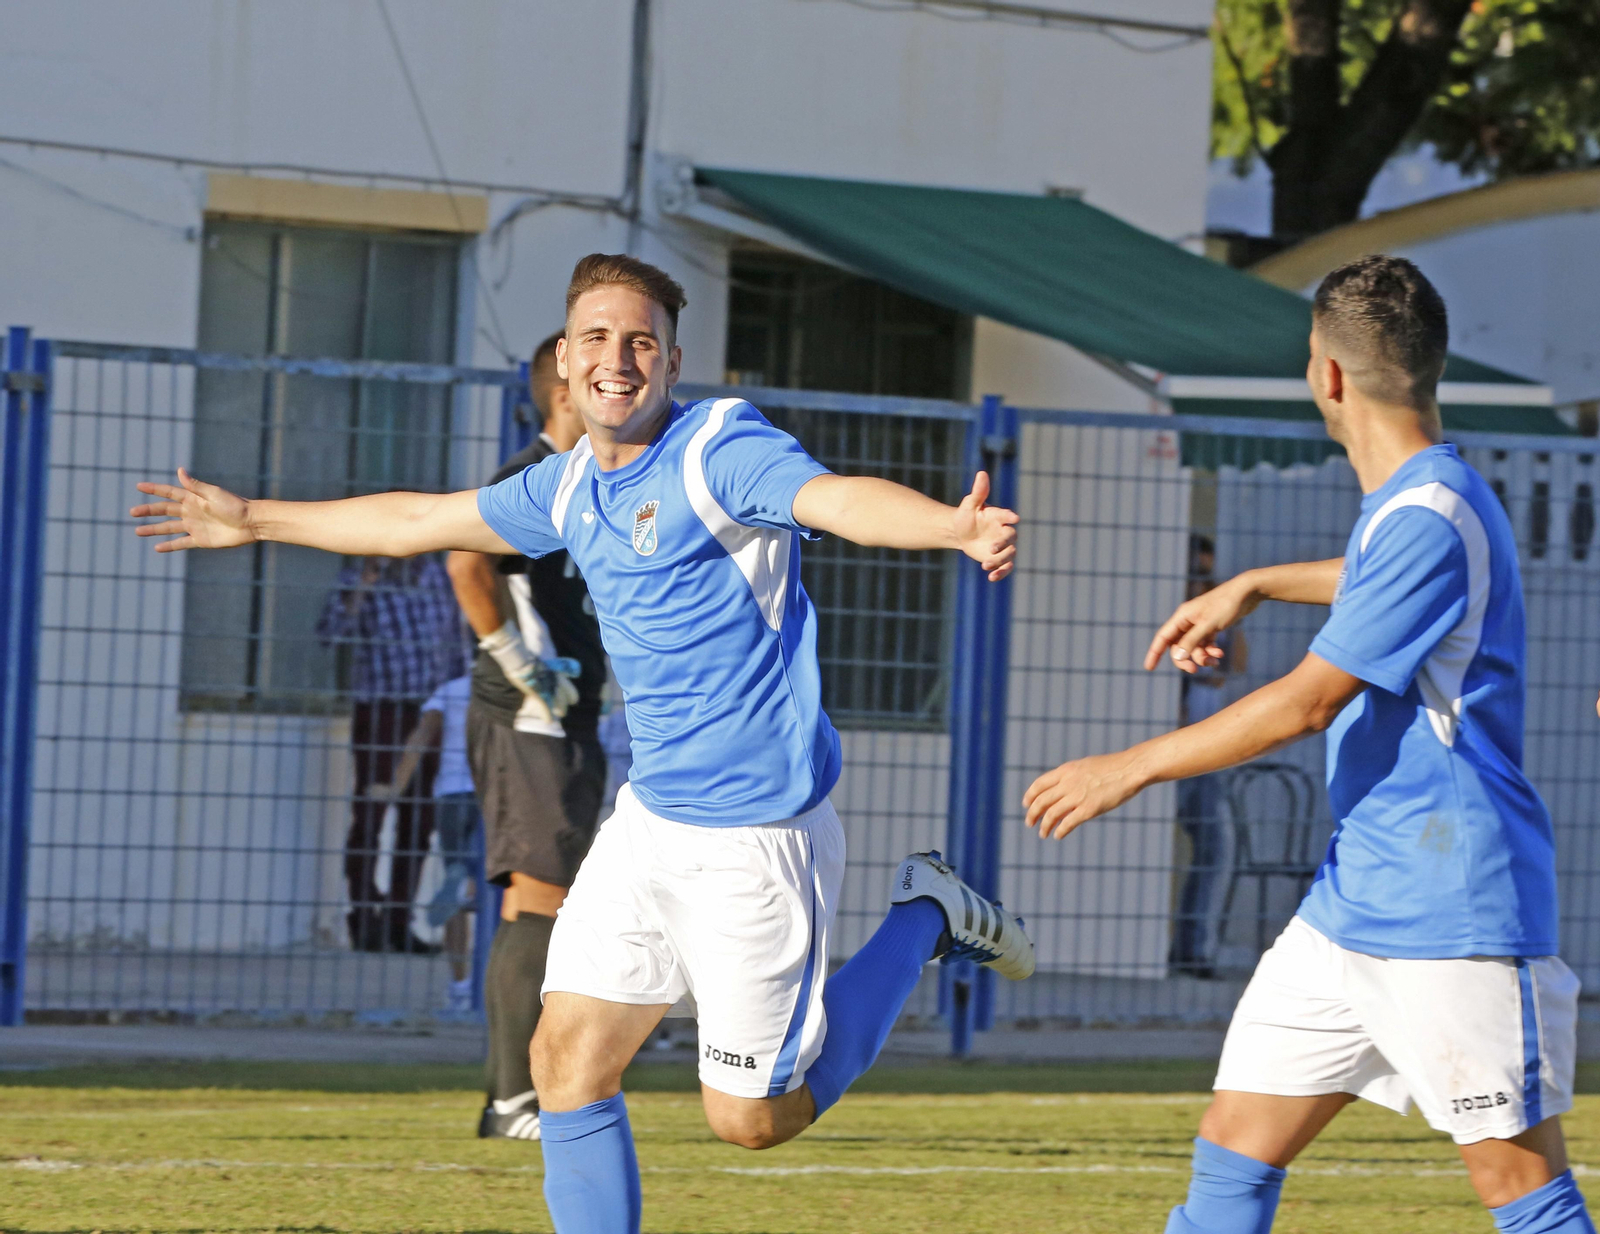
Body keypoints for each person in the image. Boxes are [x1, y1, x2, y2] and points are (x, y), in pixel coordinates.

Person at [130, 251, 1035, 1234]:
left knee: (752, 1120)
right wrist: (256, 518)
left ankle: (925, 914)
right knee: (563, 1059)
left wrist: (948, 527)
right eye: (596, 339)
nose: (618, 359)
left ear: (671, 360)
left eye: (640, 340)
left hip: (757, 841)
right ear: (565, 361)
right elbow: (421, 520)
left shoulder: (717, 450)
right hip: (650, 826)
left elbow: (834, 497)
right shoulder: (563, 489)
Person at [1022, 256, 1592, 1234]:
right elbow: (1365, 573)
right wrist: (1250, 581)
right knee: (1231, 1151)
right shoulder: (1415, 504)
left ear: (1325, 375)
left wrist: (1128, 765)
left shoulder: (1428, 515)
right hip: (1350, 909)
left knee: (1520, 1192)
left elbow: (1303, 704)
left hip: (1451, 916)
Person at [445, 332, 608, 1141]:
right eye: (598, 373)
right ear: (562, 392)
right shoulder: (529, 478)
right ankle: (514, 1102)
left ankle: (513, 1095)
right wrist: (514, 660)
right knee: (538, 897)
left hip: (569, 715)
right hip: (526, 717)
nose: (620, 386)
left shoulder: (593, 485)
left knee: (552, 900)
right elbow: (462, 560)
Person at [316, 553, 466, 953]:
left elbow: (456, 644)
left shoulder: (437, 575)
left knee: (420, 821)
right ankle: (364, 919)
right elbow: (329, 634)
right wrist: (363, 584)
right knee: (370, 816)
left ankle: (399, 924)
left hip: (431, 711)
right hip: (380, 709)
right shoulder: (361, 576)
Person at [367, 672, 479, 1011]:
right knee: (502, 887)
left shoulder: (451, 690)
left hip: (452, 795)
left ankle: (460, 987)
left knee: (455, 877)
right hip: (494, 795)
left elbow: (420, 738)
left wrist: (395, 789)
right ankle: (473, 890)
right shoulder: (509, 687)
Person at [1170, 533, 1248, 978]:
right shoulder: (1168, 617)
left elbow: (1236, 666)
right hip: (1169, 751)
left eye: (1209, 575)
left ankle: (1192, 949)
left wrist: (1229, 616)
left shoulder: (1214, 620)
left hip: (1206, 752)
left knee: (1215, 848)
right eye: (1196, 574)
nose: (1202, 584)